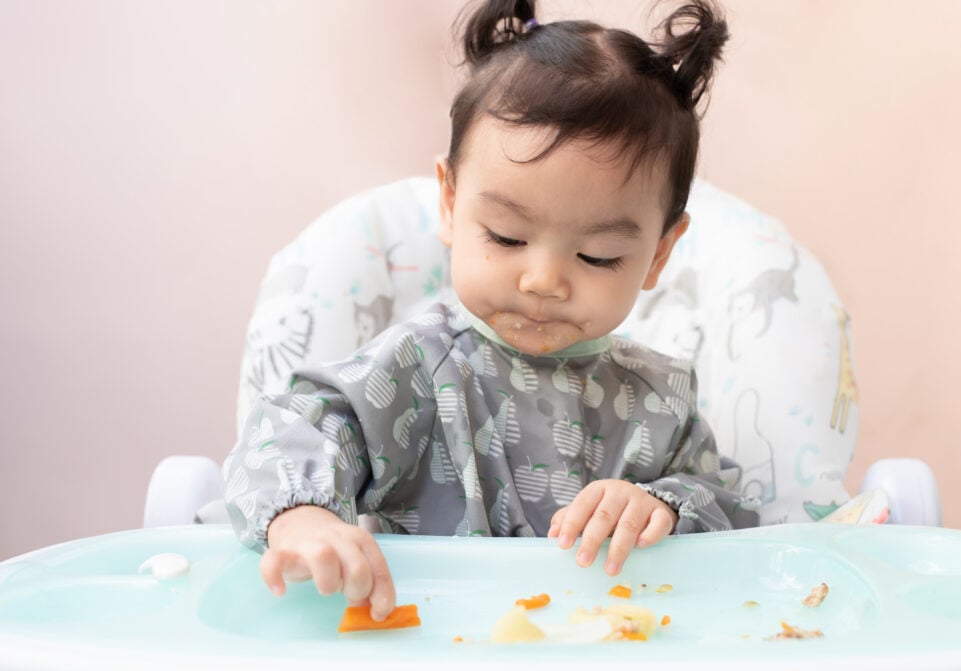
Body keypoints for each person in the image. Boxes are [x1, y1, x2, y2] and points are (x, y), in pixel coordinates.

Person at [223, 0, 760, 623]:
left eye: (597, 255)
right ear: (450, 205)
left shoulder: (661, 401)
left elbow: (730, 511)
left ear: (659, 253)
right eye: (506, 237)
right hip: (425, 644)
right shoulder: (415, 369)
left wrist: (662, 506)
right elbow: (287, 432)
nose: (543, 281)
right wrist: (305, 517)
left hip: (603, 651)